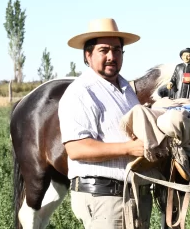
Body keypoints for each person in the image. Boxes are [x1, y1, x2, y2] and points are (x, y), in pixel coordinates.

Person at [58, 18, 152, 229]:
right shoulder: (81, 92)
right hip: (105, 198)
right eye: (104, 50)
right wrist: (130, 148)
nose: (112, 57)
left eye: (117, 50)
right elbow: (76, 148)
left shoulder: (126, 90)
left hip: (133, 195)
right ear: (88, 55)